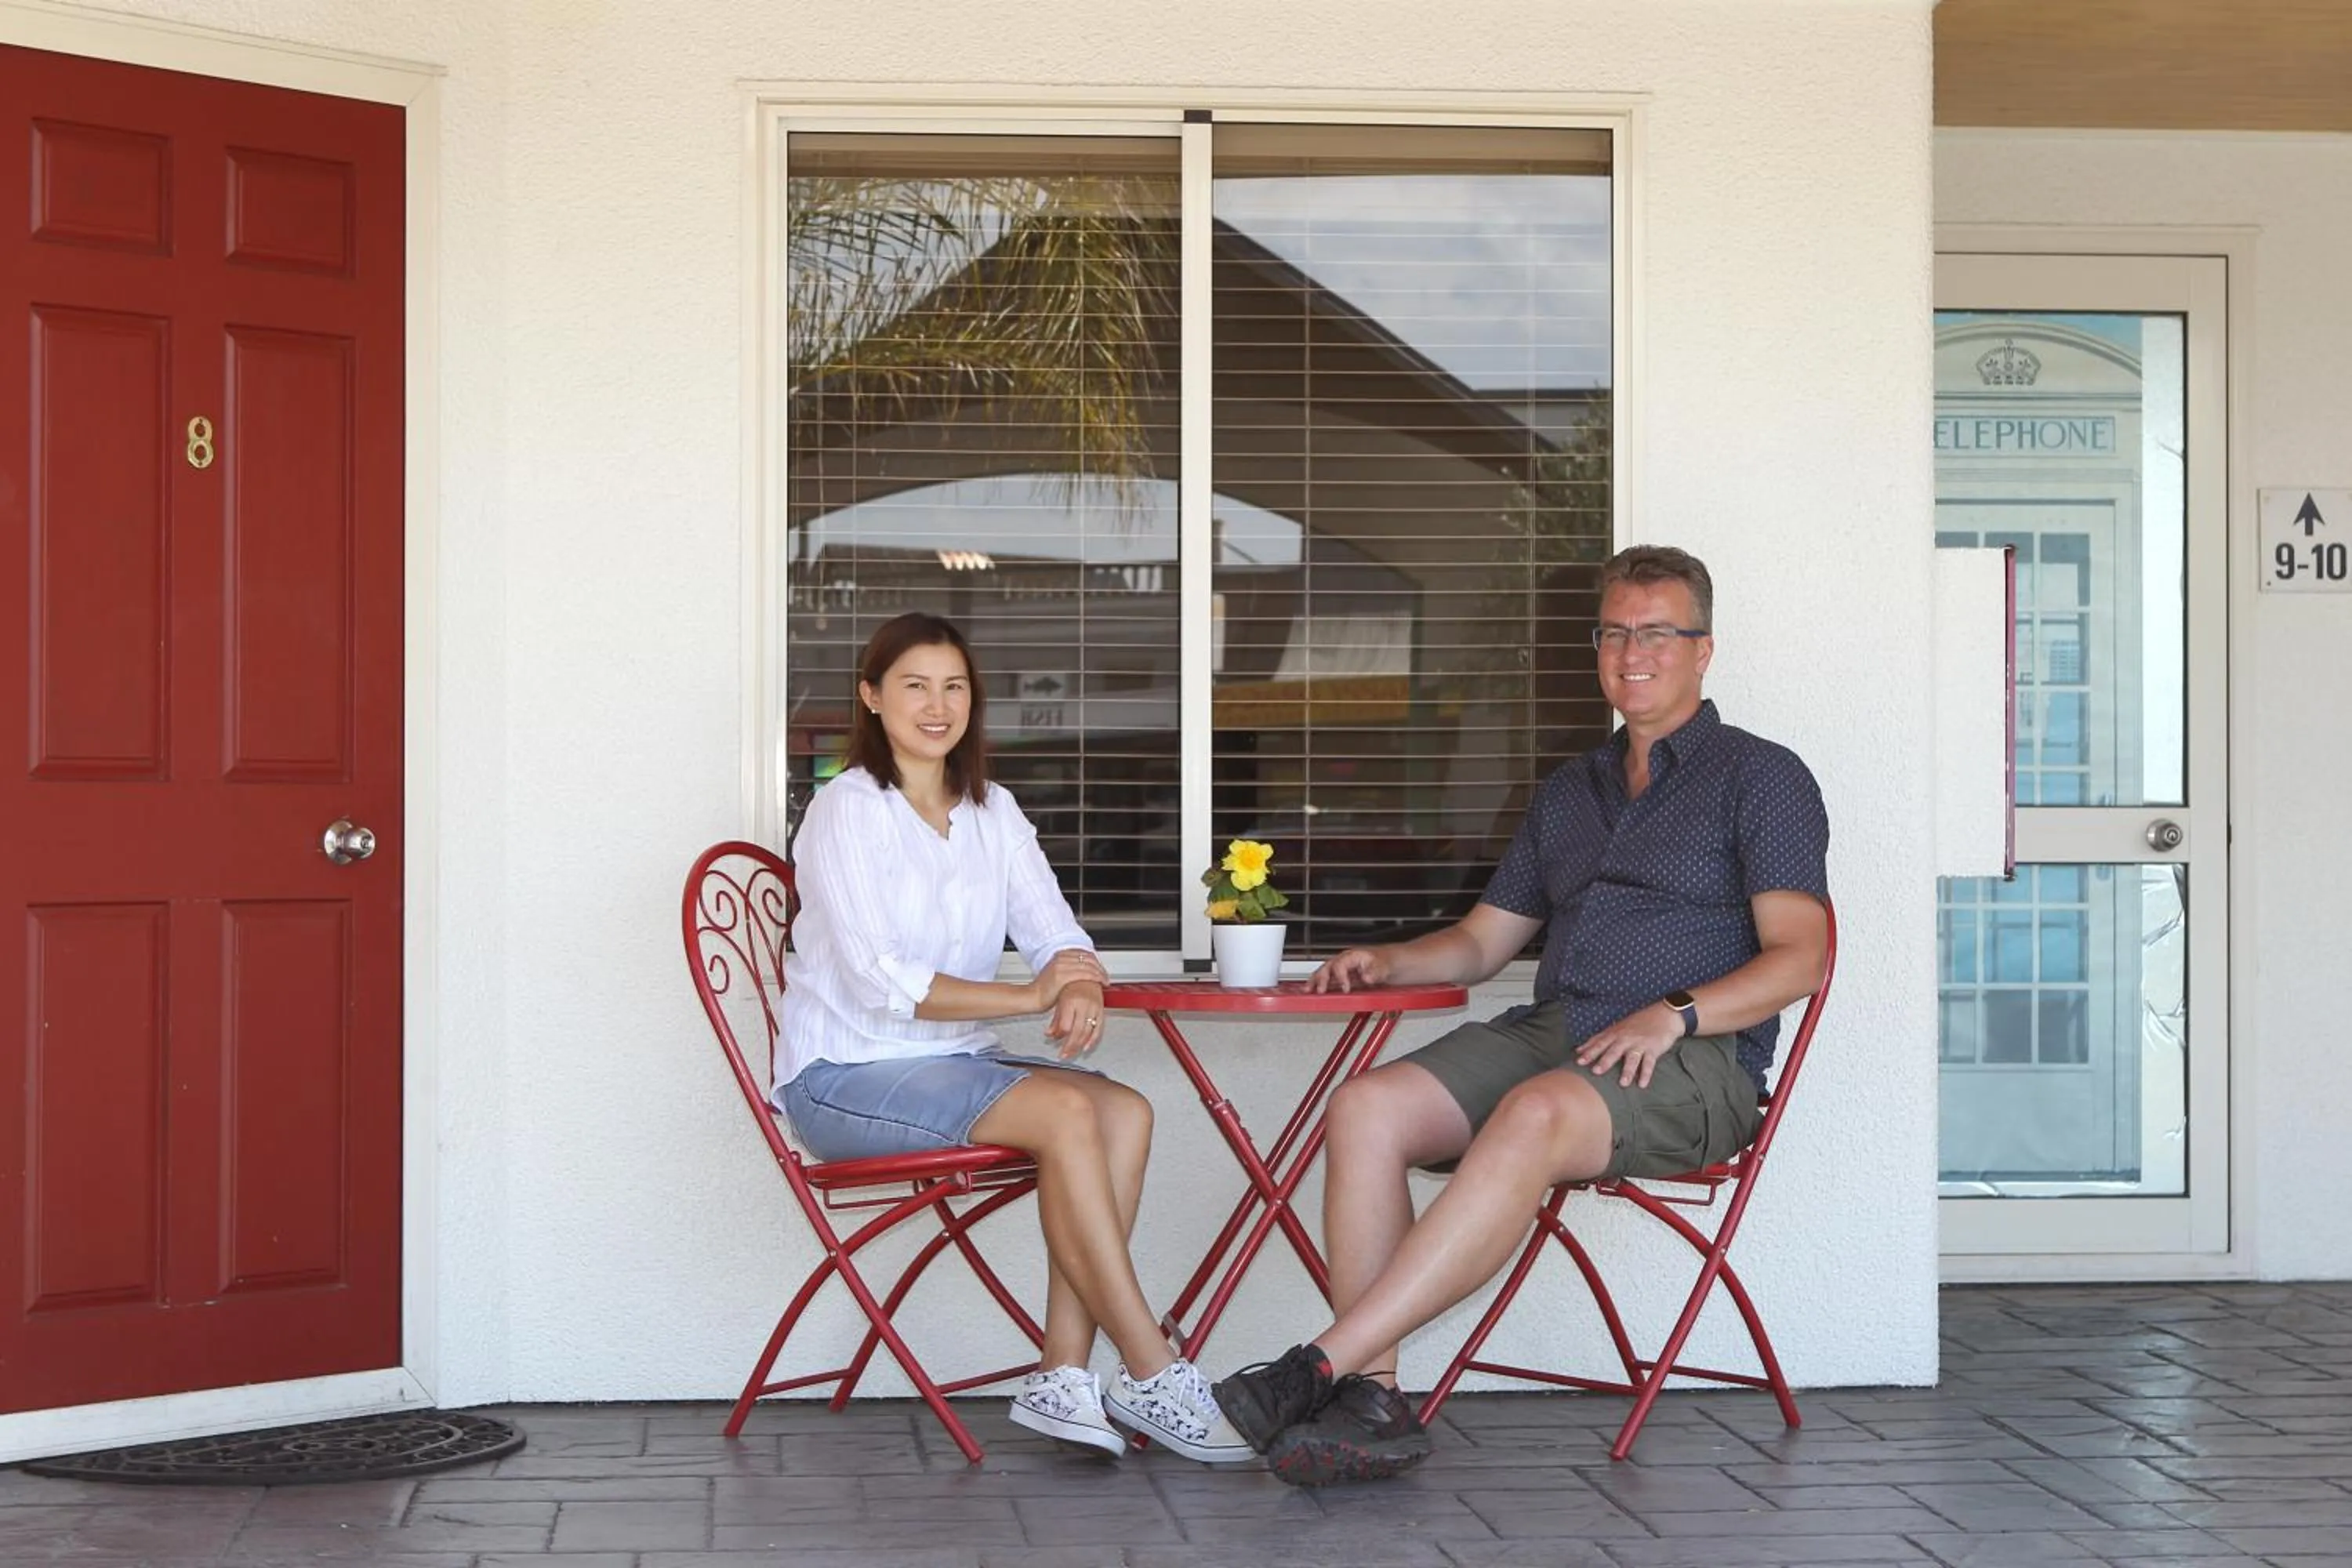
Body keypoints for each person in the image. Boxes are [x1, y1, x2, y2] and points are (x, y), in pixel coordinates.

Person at [1211, 545, 1831, 1486]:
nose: (1634, 651)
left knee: (1535, 1111)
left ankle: (1320, 1366)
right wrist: (1391, 957)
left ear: (1704, 649)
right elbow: (1482, 944)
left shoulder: (1761, 776)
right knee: (1365, 1107)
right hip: (1562, 1034)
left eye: (1658, 631)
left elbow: (1803, 954)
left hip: (1693, 1058)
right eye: (1615, 631)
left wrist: (1677, 1012)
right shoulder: (1569, 790)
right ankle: (1372, 1400)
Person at [778, 612, 1250, 1465]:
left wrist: (1075, 974)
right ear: (871, 696)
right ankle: (1148, 1364)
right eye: (914, 684)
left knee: (1127, 1110)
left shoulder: (992, 810)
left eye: (953, 685)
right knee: (1070, 1112)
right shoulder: (846, 811)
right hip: (844, 1076)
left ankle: (1063, 1376)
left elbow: (1054, 927)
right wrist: (1030, 993)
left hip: (949, 1064)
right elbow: (875, 979)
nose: (936, 704)